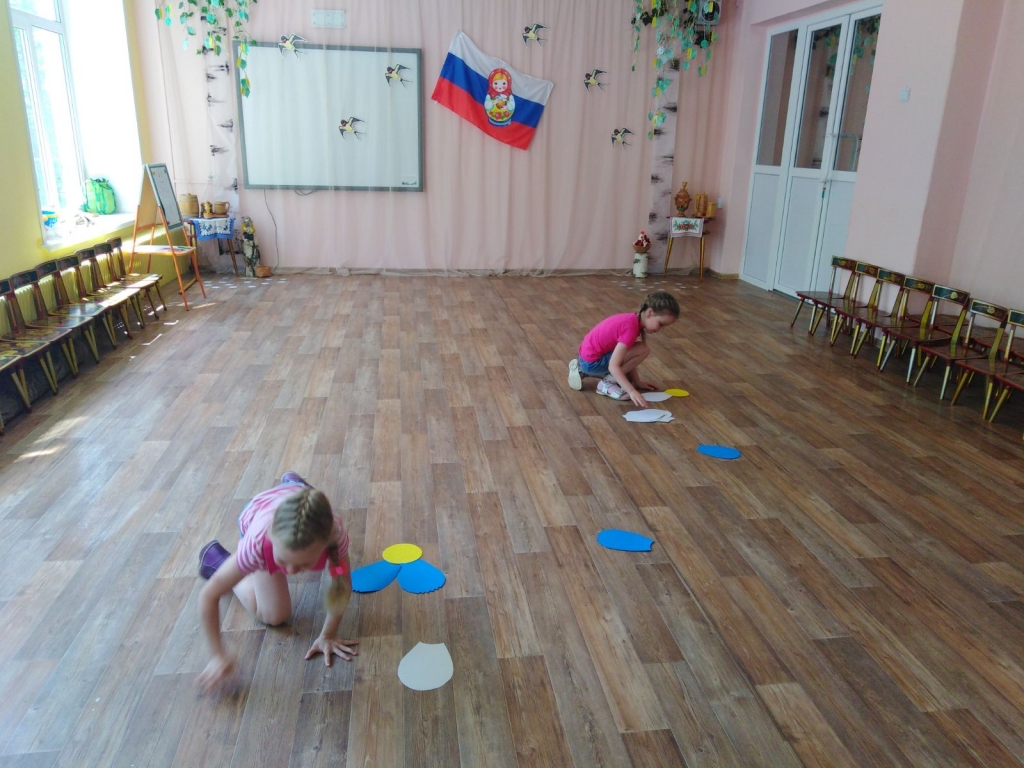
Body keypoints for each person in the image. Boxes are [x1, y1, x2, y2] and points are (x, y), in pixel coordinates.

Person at [196, 472, 356, 692]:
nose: (290, 571)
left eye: (303, 564)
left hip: (292, 501)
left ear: (325, 545)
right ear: (271, 537)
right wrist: (217, 655)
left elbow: (342, 584)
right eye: (282, 561)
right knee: (274, 616)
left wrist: (328, 634)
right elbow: (208, 595)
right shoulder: (256, 545)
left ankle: (294, 484)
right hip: (257, 513)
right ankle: (219, 561)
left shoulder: (335, 536)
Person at [568, 290, 680, 408]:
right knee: (643, 350)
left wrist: (637, 382)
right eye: (661, 324)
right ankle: (606, 384)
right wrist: (631, 391)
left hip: (586, 359)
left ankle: (581, 370)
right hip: (592, 363)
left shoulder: (631, 319)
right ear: (650, 313)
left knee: (626, 376)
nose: (661, 329)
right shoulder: (630, 329)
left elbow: (626, 357)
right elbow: (613, 366)